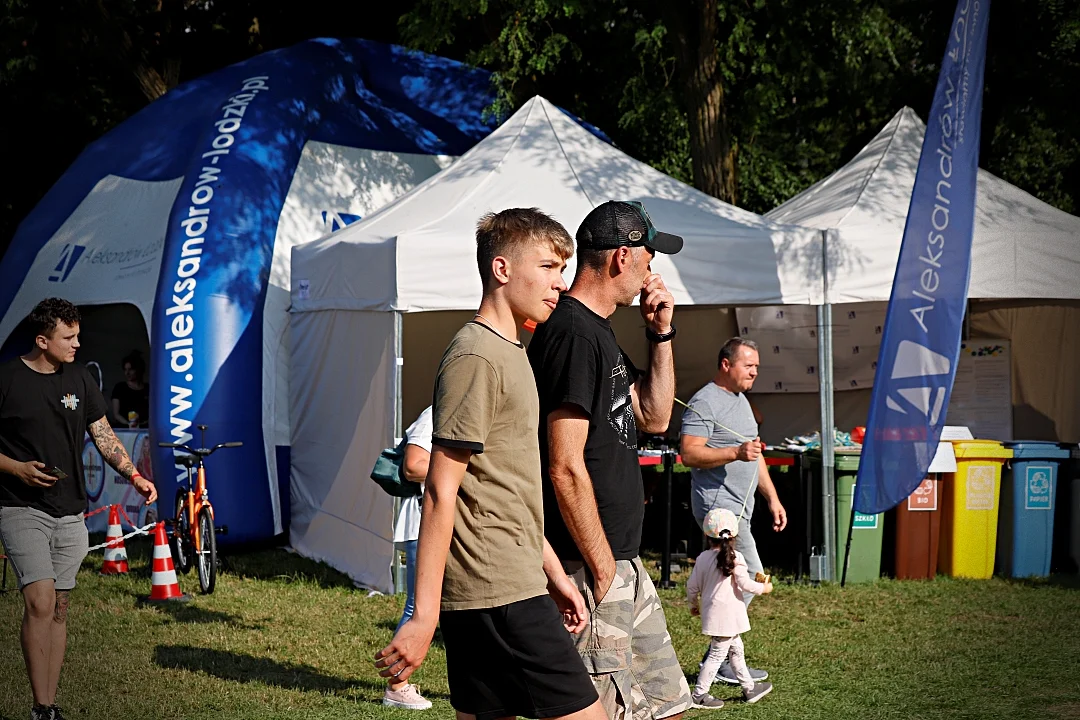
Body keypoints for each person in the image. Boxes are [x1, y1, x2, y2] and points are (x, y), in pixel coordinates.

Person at [376, 208, 606, 720]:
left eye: (562, 268)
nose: (560, 283)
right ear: (502, 270)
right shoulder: (476, 356)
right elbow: (440, 490)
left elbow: (503, 486)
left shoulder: (510, 351)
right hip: (495, 591)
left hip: (512, 580)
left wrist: (553, 572)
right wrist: (423, 616)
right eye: (548, 267)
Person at [528, 200, 693, 719]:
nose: (652, 268)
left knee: (667, 707)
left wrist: (660, 333)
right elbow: (563, 465)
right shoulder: (574, 335)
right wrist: (600, 568)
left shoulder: (598, 331)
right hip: (588, 563)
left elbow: (655, 416)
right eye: (648, 255)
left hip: (622, 561)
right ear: (622, 257)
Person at [0, 298, 157, 720]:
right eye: (67, 337)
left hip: (70, 512)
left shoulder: (81, 379)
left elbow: (103, 435)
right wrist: (16, 469)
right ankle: (40, 704)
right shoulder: (8, 378)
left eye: (78, 335)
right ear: (42, 340)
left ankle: (47, 708)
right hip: (19, 507)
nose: (76, 344)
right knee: (39, 601)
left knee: (59, 608)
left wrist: (134, 475)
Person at [679, 336, 787, 686]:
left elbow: (755, 457)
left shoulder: (741, 401)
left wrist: (772, 498)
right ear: (726, 364)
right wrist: (734, 453)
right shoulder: (705, 401)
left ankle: (723, 658)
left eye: (757, 366)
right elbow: (690, 454)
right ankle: (721, 658)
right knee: (751, 573)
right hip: (718, 508)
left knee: (731, 583)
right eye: (748, 365)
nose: (754, 372)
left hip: (741, 508)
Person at [686, 508, 774, 708]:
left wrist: (693, 605)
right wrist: (764, 588)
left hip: (716, 616)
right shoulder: (736, 557)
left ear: (706, 534)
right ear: (734, 534)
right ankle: (699, 694)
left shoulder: (702, 558)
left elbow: (692, 586)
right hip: (728, 618)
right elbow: (745, 584)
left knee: (736, 650)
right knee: (717, 655)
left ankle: (749, 688)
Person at [383, 405, 434, 711]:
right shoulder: (434, 414)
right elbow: (413, 466)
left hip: (445, 524)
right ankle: (396, 686)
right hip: (422, 524)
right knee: (418, 607)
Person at [111, 351, 149, 428]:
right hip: (123, 430)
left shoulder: (148, 389)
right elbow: (116, 414)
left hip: (144, 430)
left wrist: (142, 424)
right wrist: (129, 424)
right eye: (125, 369)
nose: (127, 373)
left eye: (130, 369)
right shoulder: (120, 387)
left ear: (138, 370)